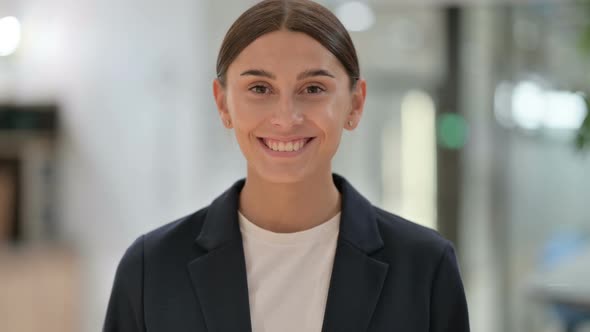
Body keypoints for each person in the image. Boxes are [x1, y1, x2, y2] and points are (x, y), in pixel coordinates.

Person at [103, 0, 470, 331]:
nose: (286, 117)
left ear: (355, 104)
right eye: (260, 89)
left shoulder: (425, 268)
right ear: (223, 104)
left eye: (313, 89)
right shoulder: (152, 269)